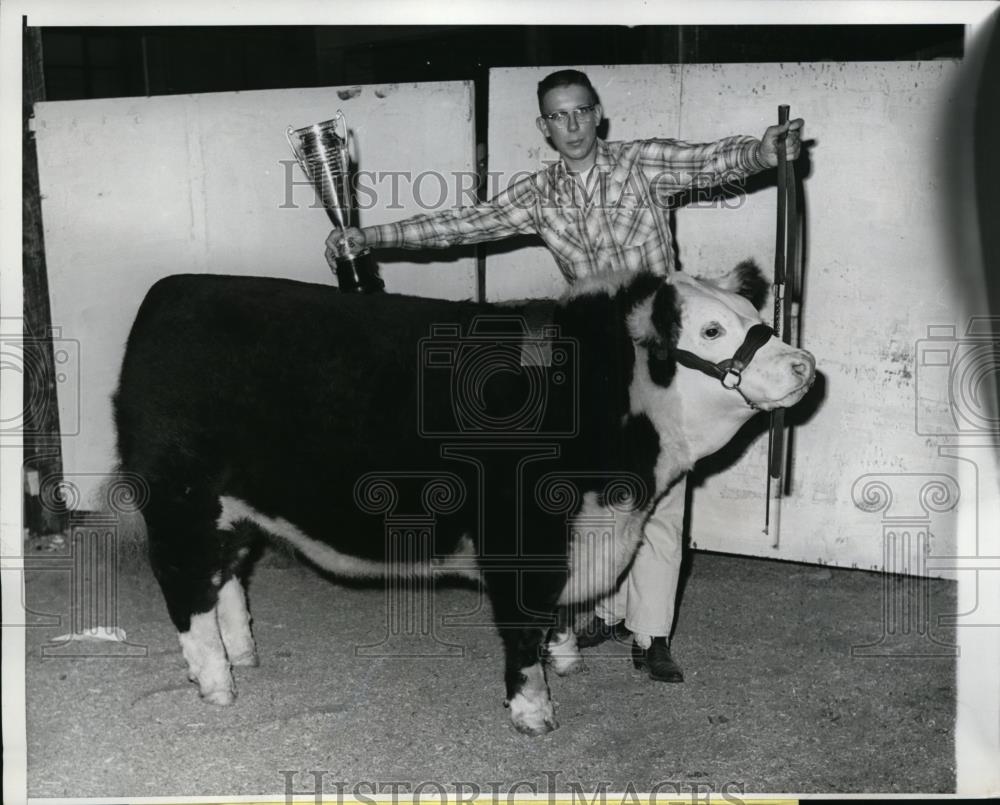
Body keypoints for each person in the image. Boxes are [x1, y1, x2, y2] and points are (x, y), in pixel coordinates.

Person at [326, 68, 802, 682]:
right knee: (592, 495)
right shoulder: (537, 193)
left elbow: (711, 162)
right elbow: (461, 224)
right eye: (558, 116)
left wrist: (762, 152)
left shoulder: (641, 162)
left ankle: (651, 633)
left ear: (598, 113)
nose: (571, 125)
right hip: (588, 355)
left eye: (580, 112)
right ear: (543, 126)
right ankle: (600, 610)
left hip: (662, 358)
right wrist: (370, 237)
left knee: (659, 497)